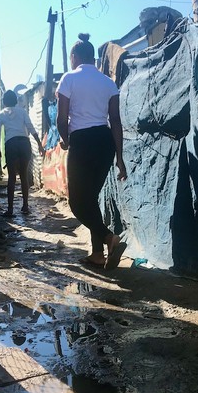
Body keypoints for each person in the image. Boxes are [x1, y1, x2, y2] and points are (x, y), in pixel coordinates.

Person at [56, 33, 128, 270]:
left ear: (75, 57)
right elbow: (116, 121)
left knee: (77, 202)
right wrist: (119, 157)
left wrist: (66, 140)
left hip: (83, 141)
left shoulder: (69, 78)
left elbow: (61, 117)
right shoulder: (108, 82)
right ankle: (97, 254)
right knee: (92, 199)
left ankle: (109, 239)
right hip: (105, 142)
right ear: (93, 59)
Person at [0, 90, 43, 217]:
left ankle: (10, 210)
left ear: (4, 102)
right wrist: (39, 144)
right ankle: (25, 206)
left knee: (11, 177)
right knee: (23, 176)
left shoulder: (2, 114)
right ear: (16, 100)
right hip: (24, 143)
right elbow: (31, 127)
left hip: (11, 145)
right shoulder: (22, 112)